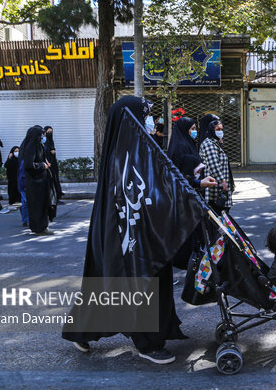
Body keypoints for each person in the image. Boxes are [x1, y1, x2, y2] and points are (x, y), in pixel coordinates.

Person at [63, 95, 206, 365]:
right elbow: (148, 191)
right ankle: (147, 344)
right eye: (146, 114)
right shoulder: (124, 155)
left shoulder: (140, 148)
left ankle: (81, 330)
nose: (151, 120)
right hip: (131, 237)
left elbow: (163, 182)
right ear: (131, 118)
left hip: (148, 234)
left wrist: (195, 185)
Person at [166, 116, 217, 268]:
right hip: (183, 198)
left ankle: (194, 259)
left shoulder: (187, 144)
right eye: (192, 129)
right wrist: (198, 182)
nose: (195, 132)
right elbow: (177, 178)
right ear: (184, 130)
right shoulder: (179, 148)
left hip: (193, 195)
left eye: (195, 129)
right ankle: (184, 261)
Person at [22, 126, 55, 235]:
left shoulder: (39, 145)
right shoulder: (31, 147)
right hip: (34, 183)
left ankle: (42, 226)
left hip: (41, 181)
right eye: (40, 134)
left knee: (42, 205)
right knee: (37, 206)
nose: (42, 136)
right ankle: (39, 228)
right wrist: (43, 165)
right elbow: (28, 165)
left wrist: (45, 162)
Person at [199, 120, 234, 214]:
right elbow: (214, 164)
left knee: (222, 212)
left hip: (220, 185)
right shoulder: (209, 144)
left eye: (222, 129)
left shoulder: (215, 142)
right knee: (218, 211)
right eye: (218, 129)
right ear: (211, 130)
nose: (220, 131)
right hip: (216, 186)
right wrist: (222, 180)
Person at [43, 126, 65, 201]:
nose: (50, 133)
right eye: (48, 131)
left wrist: (53, 151)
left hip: (53, 163)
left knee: (55, 179)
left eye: (51, 132)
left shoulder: (50, 140)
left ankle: (57, 195)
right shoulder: (43, 141)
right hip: (47, 164)